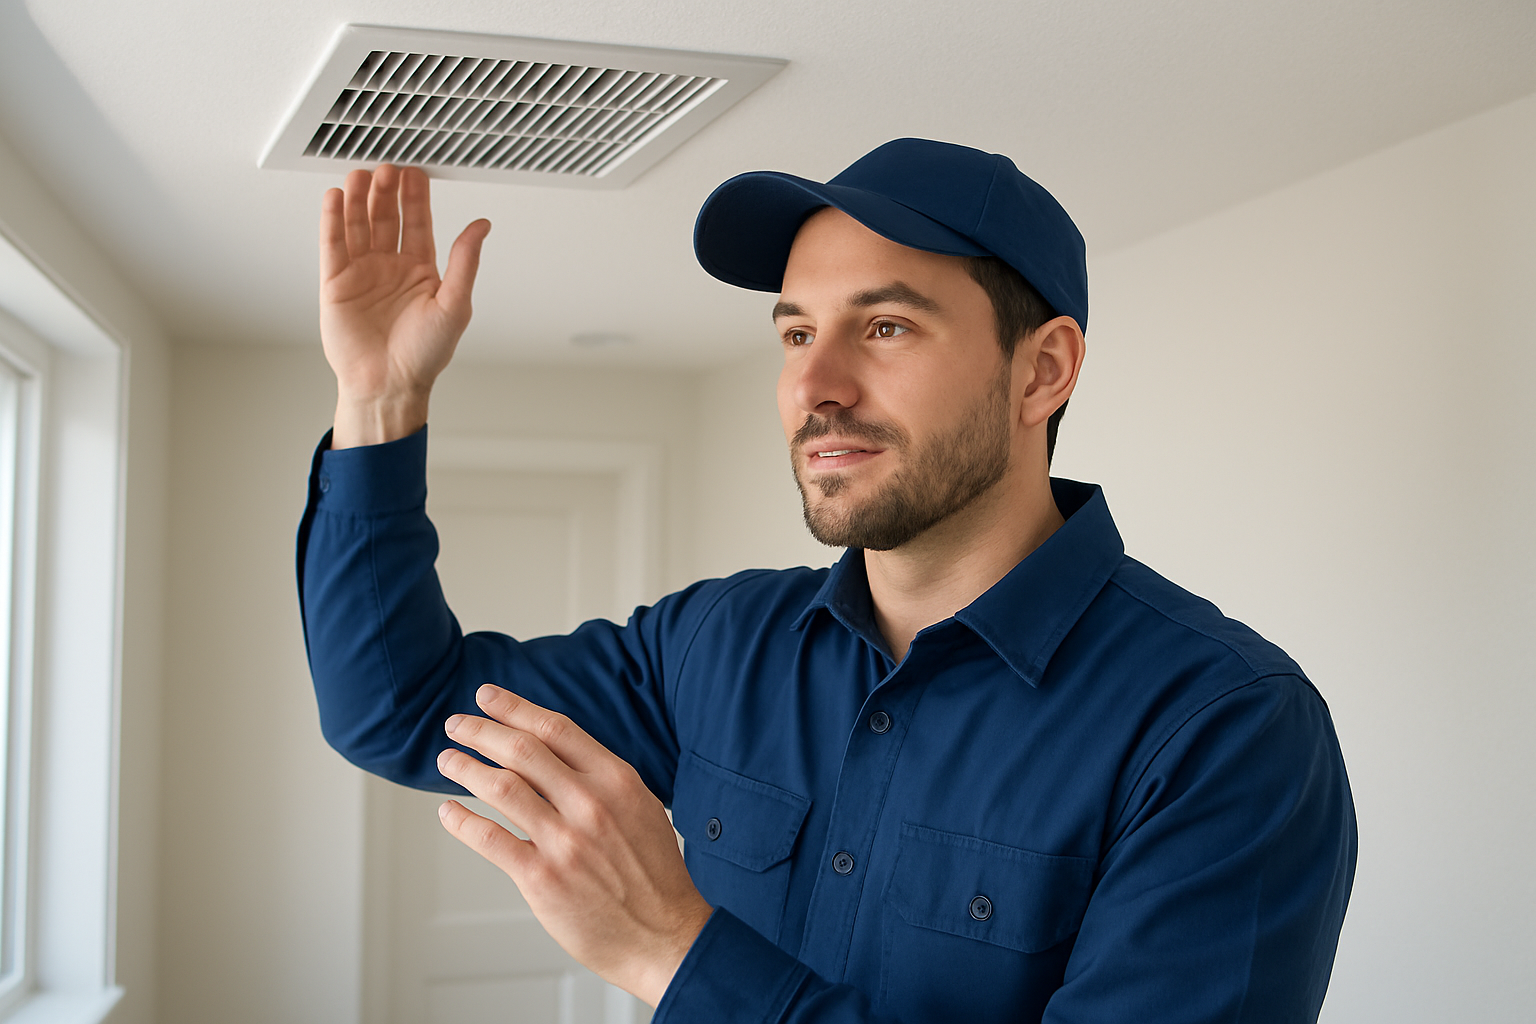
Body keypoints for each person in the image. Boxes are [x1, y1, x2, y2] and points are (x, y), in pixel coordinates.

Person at [298, 138, 1356, 1023]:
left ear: (1043, 371)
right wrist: (380, 399)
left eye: (884, 327)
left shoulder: (1225, 731)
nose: (814, 385)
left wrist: (677, 953)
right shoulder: (716, 642)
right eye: (797, 332)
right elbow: (400, 709)